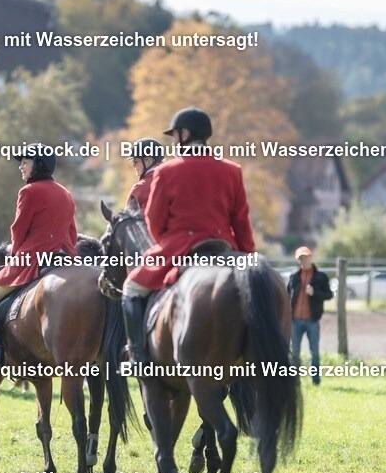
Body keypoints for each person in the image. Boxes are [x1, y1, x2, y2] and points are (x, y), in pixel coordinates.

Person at [123, 107, 256, 366]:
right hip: (224, 246)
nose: (173, 141)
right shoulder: (232, 170)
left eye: (174, 135)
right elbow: (241, 221)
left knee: (132, 287)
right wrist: (247, 255)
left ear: (185, 134)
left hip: (179, 247)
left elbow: (154, 222)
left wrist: (165, 243)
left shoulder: (166, 172)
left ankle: (138, 357)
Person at [0, 143, 79, 368]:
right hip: (65, 257)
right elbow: (72, 233)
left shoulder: (29, 191)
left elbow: (18, 229)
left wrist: (15, 253)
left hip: (33, 258)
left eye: (25, 162)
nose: (21, 166)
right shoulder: (66, 193)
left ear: (38, 164)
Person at [286, 246, 333, 385]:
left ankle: (316, 380)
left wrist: (314, 293)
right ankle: (294, 380)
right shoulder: (294, 277)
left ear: (311, 257)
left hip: (312, 320)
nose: (303, 260)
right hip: (295, 321)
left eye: (305, 257)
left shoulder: (321, 277)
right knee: (294, 352)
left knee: (314, 352)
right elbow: (287, 295)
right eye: (301, 258)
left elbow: (329, 294)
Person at [125, 137, 165, 209]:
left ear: (148, 161)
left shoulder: (139, 188)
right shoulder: (173, 181)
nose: (133, 165)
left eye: (136, 161)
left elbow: (126, 215)